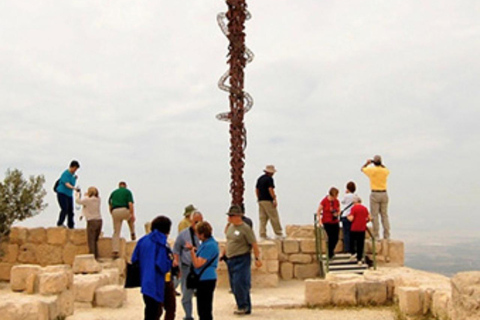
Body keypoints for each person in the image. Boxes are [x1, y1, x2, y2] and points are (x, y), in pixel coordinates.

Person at [222, 205, 262, 315]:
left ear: (238, 216)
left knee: (240, 283)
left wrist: (257, 258)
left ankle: (244, 306)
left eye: (231, 215)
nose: (229, 218)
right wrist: (223, 254)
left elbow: (254, 243)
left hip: (242, 258)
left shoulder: (245, 228)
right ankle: (241, 304)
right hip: (230, 259)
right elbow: (229, 241)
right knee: (234, 285)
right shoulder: (230, 227)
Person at [131, 216, 173, 320]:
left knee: (149, 311)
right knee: (155, 312)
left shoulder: (142, 241)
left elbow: (134, 259)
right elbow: (162, 265)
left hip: (145, 282)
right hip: (156, 283)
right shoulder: (161, 243)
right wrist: (170, 262)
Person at [185, 221, 219, 320]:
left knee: (205, 309)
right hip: (204, 278)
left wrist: (192, 253)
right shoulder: (207, 243)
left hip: (206, 279)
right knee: (202, 308)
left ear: (202, 234)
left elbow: (198, 263)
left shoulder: (209, 246)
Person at [173, 211, 203, 320]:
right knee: (186, 294)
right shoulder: (183, 235)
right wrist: (177, 263)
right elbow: (176, 249)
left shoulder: (205, 234)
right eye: (196, 222)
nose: (198, 224)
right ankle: (188, 315)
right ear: (191, 221)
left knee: (202, 294)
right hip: (187, 268)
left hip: (201, 268)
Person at [361, 155, 390, 239]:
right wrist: (380, 164)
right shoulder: (385, 171)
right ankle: (386, 235)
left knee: (374, 215)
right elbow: (386, 169)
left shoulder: (372, 170)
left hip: (375, 193)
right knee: (384, 215)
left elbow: (362, 169)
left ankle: (376, 235)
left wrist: (367, 163)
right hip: (384, 193)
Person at [108, 181, 136, 258]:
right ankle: (132, 232)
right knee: (130, 219)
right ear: (125, 186)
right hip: (124, 210)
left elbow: (110, 203)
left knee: (116, 231)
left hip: (115, 211)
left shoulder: (113, 193)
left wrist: (111, 212)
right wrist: (132, 214)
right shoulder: (128, 192)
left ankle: (115, 250)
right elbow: (130, 204)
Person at [256, 165, 284, 240]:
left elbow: (257, 189)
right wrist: (274, 198)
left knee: (263, 218)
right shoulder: (269, 179)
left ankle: (262, 235)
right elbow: (270, 189)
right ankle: (278, 233)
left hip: (261, 200)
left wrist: (258, 198)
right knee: (274, 216)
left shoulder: (260, 179)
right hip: (268, 200)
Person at [74, 186, 102, 258]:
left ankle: (92, 256)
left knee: (91, 240)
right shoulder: (98, 199)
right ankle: (97, 255)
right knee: (95, 240)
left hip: (91, 221)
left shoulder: (87, 200)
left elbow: (78, 201)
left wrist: (77, 195)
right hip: (99, 221)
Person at [316, 187, 341, 259]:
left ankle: (331, 251)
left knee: (336, 238)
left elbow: (339, 210)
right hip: (327, 221)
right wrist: (319, 220)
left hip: (335, 221)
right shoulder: (324, 201)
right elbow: (318, 211)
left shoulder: (336, 201)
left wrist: (337, 214)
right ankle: (330, 253)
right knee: (330, 238)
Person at [55, 160, 80, 229]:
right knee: (64, 208)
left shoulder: (73, 176)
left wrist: (75, 179)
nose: (75, 170)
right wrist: (74, 188)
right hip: (62, 193)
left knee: (70, 211)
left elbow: (72, 182)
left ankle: (71, 225)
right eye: (75, 168)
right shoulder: (65, 174)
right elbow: (67, 184)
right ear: (71, 167)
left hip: (69, 195)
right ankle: (60, 223)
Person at [347, 196, 372, 264]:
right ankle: (359, 259)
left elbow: (351, 218)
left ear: (355, 202)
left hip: (354, 228)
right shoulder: (364, 208)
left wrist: (347, 217)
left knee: (352, 242)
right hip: (362, 229)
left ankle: (353, 253)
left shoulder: (354, 208)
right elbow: (369, 218)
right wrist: (365, 222)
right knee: (360, 244)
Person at [340, 181, 356, 254]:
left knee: (346, 233)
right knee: (352, 233)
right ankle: (353, 249)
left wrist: (346, 193)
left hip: (346, 215)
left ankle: (347, 249)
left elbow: (342, 202)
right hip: (352, 216)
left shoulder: (346, 196)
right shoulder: (356, 196)